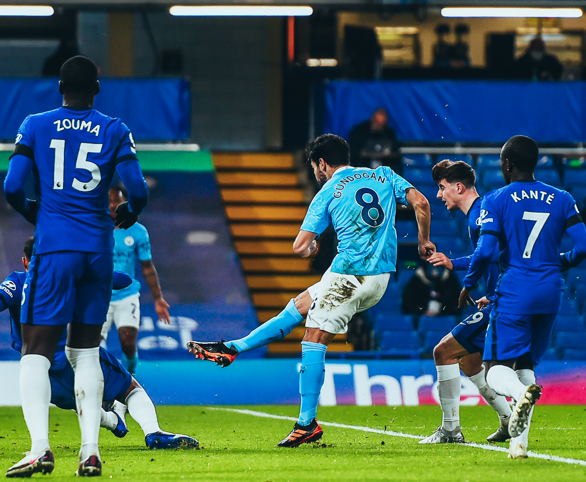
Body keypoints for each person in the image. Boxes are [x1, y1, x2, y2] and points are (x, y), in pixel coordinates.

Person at [188, 134, 434, 447]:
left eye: (315, 166)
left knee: (313, 338)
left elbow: (300, 247)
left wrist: (314, 246)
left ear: (322, 163)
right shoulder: (383, 174)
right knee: (299, 306)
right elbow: (422, 202)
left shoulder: (328, 190)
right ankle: (234, 347)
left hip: (349, 275)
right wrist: (424, 241)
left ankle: (306, 423)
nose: (316, 172)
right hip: (381, 278)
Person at [2, 55, 148, 477]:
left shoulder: (34, 124)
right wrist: (131, 212)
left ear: (60, 87)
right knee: (85, 352)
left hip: (55, 249)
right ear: (97, 88)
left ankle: (39, 450)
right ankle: (89, 452)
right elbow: (136, 189)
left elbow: (12, 186)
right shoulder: (115, 128)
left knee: (36, 353)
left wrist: (38, 214)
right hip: (98, 249)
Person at [0, 238, 198, 451]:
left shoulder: (17, 282)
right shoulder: (71, 276)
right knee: (129, 389)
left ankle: (112, 423)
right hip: (79, 355)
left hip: (41, 370)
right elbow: (123, 281)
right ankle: (153, 432)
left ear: (25, 261)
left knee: (78, 404)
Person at [461, 135, 586, 459]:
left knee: (494, 369)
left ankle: (521, 393)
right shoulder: (562, 197)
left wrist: (469, 282)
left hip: (517, 289)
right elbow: (583, 244)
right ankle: (519, 445)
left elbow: (486, 250)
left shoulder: (496, 199)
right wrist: (562, 260)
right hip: (551, 291)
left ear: (507, 164)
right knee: (525, 362)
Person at [418, 160, 513, 444]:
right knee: (471, 363)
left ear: (458, 187)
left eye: (442, 187)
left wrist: (471, 283)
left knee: (442, 352)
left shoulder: (481, 214)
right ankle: (509, 421)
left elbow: (488, 255)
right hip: (501, 296)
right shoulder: (482, 213)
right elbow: (496, 255)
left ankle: (450, 430)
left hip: (506, 301)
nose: (439, 194)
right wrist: (454, 263)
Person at [104, 186, 171, 374]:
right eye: (108, 201)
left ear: (125, 203)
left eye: (116, 200)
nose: (112, 205)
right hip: (99, 296)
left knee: (128, 344)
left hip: (127, 295)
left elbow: (147, 266)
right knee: (95, 347)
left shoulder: (138, 231)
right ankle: (101, 389)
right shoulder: (95, 229)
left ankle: (129, 379)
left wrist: (158, 298)